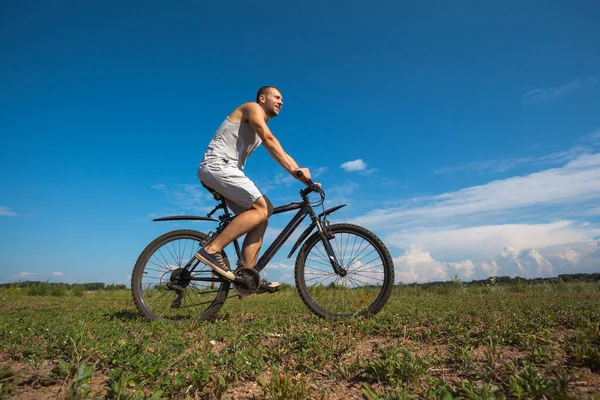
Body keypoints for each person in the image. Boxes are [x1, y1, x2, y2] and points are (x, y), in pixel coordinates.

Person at [195, 86, 317, 289]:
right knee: (264, 208)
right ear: (262, 98)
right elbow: (270, 140)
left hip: (224, 169)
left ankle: (247, 279)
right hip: (217, 165)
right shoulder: (252, 108)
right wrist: (295, 172)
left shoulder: (260, 128)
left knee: (260, 219)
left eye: (282, 99)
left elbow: (282, 153)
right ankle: (212, 249)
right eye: (277, 97)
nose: (281, 102)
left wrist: (306, 180)